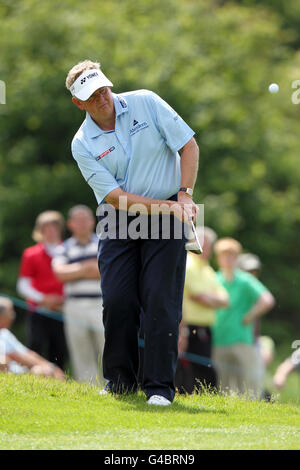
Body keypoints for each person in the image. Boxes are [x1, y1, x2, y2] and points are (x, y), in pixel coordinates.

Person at [66, 60, 199, 406]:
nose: (102, 98)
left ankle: (158, 387)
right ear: (78, 103)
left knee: (160, 299)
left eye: (103, 89)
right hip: (120, 217)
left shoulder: (146, 102)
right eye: (91, 96)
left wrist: (184, 193)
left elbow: (188, 146)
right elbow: (115, 198)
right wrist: (167, 208)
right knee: (117, 300)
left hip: (168, 210)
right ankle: (120, 382)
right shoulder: (82, 143)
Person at [212, 238, 275, 399]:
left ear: (237, 257)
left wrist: (249, 316)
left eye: (232, 255)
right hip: (218, 340)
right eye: (224, 255)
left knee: (250, 386)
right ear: (218, 257)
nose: (227, 259)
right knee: (223, 388)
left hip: (242, 340)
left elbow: (267, 300)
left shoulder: (245, 280)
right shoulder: (214, 279)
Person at [52, 205, 105, 385]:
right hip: (74, 305)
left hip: (101, 303)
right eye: (78, 220)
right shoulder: (63, 247)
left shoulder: (102, 242)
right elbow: (59, 273)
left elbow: (108, 270)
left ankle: (113, 385)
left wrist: (76, 270)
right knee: (80, 349)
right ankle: (87, 388)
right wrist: (87, 267)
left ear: (92, 221)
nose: (82, 224)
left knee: (107, 346)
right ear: (70, 224)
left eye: (85, 219)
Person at [176, 227, 229, 393]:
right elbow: (200, 297)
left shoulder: (208, 270)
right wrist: (210, 299)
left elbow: (224, 299)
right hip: (188, 327)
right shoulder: (188, 265)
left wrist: (208, 299)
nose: (205, 248)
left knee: (203, 371)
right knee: (191, 370)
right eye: (203, 243)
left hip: (204, 330)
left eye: (208, 245)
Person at [17, 211, 67, 370]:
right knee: (35, 344)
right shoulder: (31, 254)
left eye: (54, 227)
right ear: (40, 231)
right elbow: (23, 285)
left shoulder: (69, 250)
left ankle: (59, 378)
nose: (51, 231)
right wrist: (43, 299)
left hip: (63, 309)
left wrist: (62, 299)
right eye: (46, 228)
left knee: (60, 348)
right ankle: (32, 375)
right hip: (38, 309)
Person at [0, 296, 65, 380]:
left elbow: (26, 354)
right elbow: (17, 356)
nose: (13, 316)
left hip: (21, 372)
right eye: (10, 312)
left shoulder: (5, 334)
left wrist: (50, 366)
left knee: (40, 370)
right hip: (15, 374)